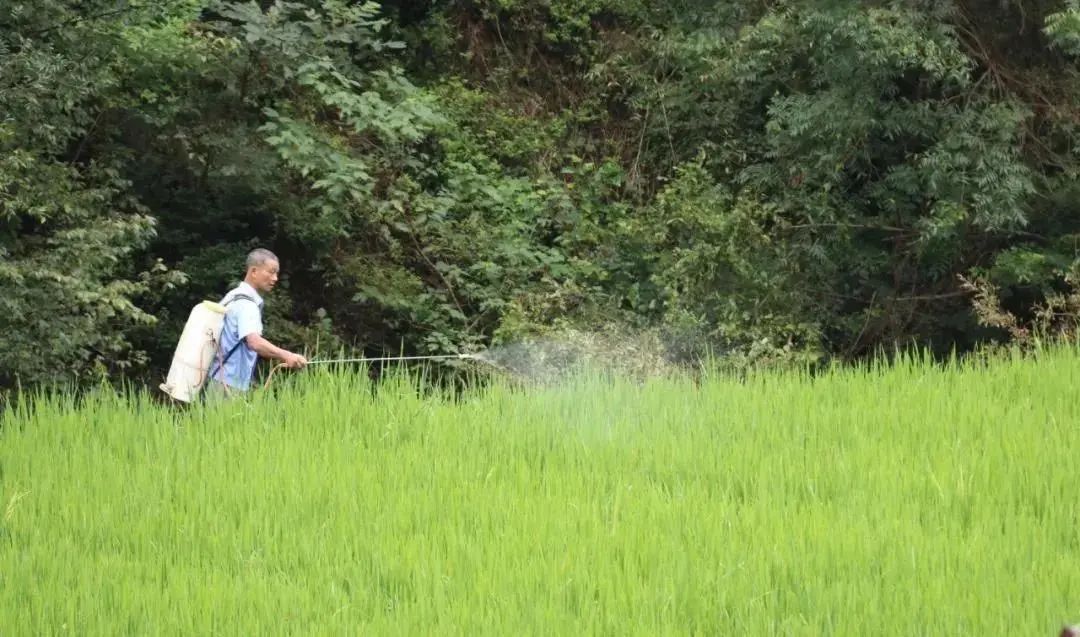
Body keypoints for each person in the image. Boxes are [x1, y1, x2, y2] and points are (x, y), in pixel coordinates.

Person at [205, 248, 307, 399]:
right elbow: (254, 342)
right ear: (253, 271)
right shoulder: (247, 305)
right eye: (271, 272)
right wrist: (288, 356)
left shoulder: (232, 296)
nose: (275, 278)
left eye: (276, 273)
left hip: (218, 378)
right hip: (228, 384)